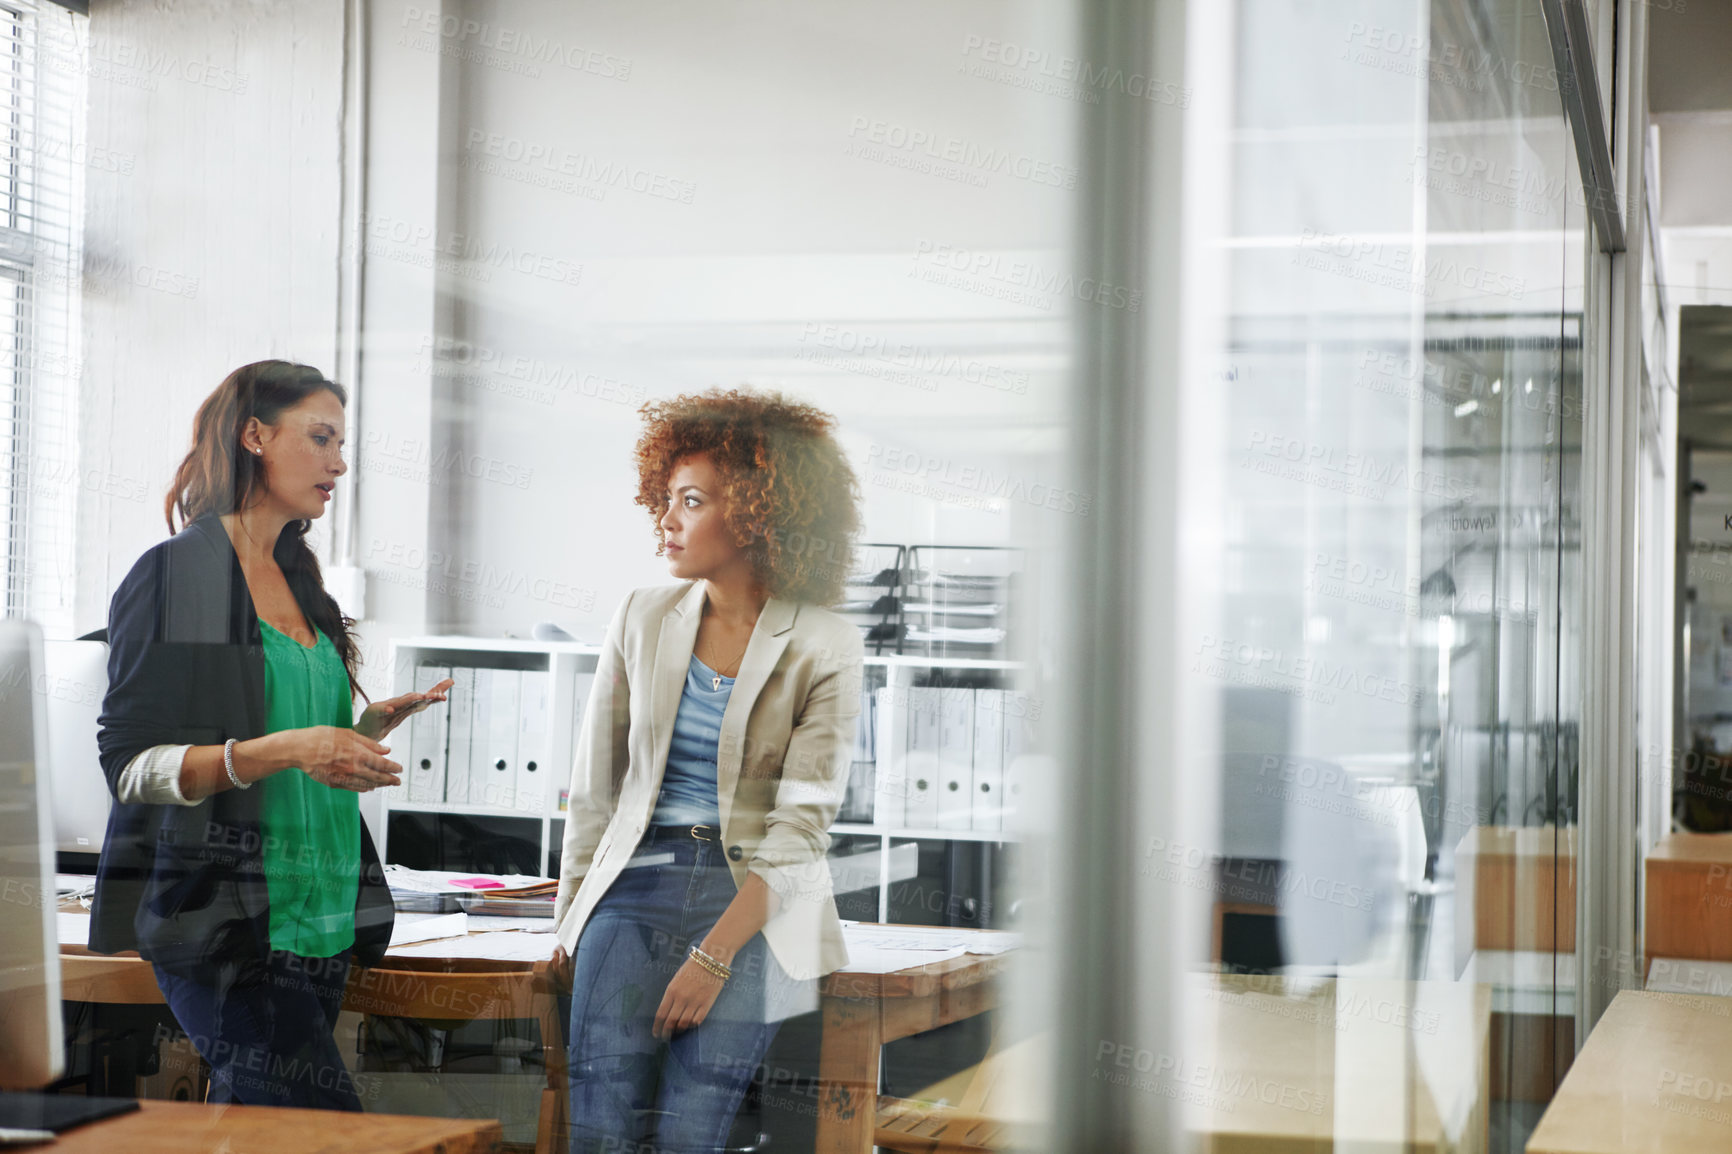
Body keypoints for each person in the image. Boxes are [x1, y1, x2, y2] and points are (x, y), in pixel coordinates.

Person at [90, 360, 452, 1109]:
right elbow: (132, 766)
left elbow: (279, 735)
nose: (339, 463)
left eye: (341, 443)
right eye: (320, 438)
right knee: (327, 1130)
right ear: (254, 435)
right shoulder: (182, 578)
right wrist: (292, 747)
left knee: (257, 1130)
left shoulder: (298, 576)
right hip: (229, 926)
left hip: (321, 923)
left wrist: (357, 733)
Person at [553, 388, 865, 1154]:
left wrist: (712, 956)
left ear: (760, 512)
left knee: (694, 1132)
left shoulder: (826, 642)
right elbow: (598, 785)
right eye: (665, 498)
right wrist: (570, 919)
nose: (666, 520)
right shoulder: (642, 613)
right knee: (599, 1124)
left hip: (755, 907)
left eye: (690, 501)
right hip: (635, 887)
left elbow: (800, 830)